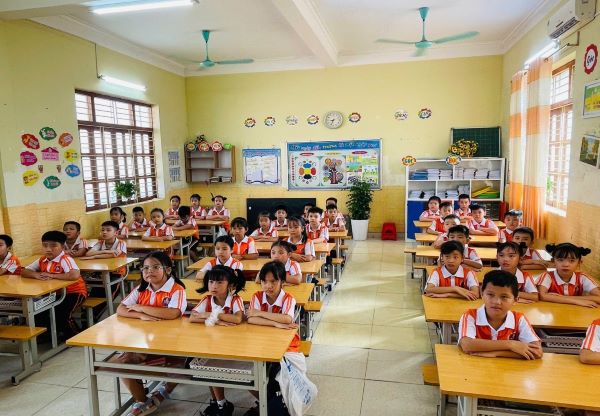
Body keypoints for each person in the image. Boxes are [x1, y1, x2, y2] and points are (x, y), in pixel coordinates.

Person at [112, 251, 186, 416]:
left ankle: (166, 388)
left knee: (179, 367)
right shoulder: (141, 289)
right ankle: (142, 400)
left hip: (171, 345)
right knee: (121, 363)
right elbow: (121, 309)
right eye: (145, 268)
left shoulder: (177, 289)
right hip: (145, 342)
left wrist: (141, 308)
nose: (149, 271)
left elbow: (172, 313)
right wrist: (140, 315)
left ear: (168, 270)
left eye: (155, 267)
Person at [183, 266, 246, 416]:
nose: (214, 286)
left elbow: (237, 319)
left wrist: (210, 315)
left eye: (219, 282)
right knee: (208, 368)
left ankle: (221, 403)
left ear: (231, 285)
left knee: (211, 369)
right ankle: (219, 403)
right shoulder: (207, 299)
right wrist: (217, 319)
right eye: (211, 282)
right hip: (212, 344)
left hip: (232, 346)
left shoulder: (235, 299)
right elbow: (192, 317)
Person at [245, 261, 301, 416]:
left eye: (273, 281)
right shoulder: (257, 296)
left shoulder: (288, 298)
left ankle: (272, 403)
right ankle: (267, 403)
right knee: (248, 375)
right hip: (261, 342)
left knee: (278, 375)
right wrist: (276, 323)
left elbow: (287, 319)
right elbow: (251, 319)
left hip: (286, 345)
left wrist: (260, 313)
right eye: (264, 281)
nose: (268, 286)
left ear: (282, 282)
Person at [458, 270, 542, 360]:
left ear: (515, 300)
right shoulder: (471, 315)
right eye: (490, 295)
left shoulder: (519, 319)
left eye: (504, 297)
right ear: (482, 294)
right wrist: (510, 344)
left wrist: (496, 353)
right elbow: (467, 345)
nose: (496, 302)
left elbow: (537, 352)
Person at [22, 231, 87, 340]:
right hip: (53, 293)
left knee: (61, 313)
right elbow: (24, 271)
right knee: (38, 312)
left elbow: (74, 275)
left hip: (74, 292)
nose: (48, 249)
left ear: (62, 247)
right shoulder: (42, 259)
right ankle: (48, 336)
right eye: (45, 245)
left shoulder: (65, 259)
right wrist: (36, 275)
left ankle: (74, 337)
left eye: (53, 246)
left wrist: (51, 275)